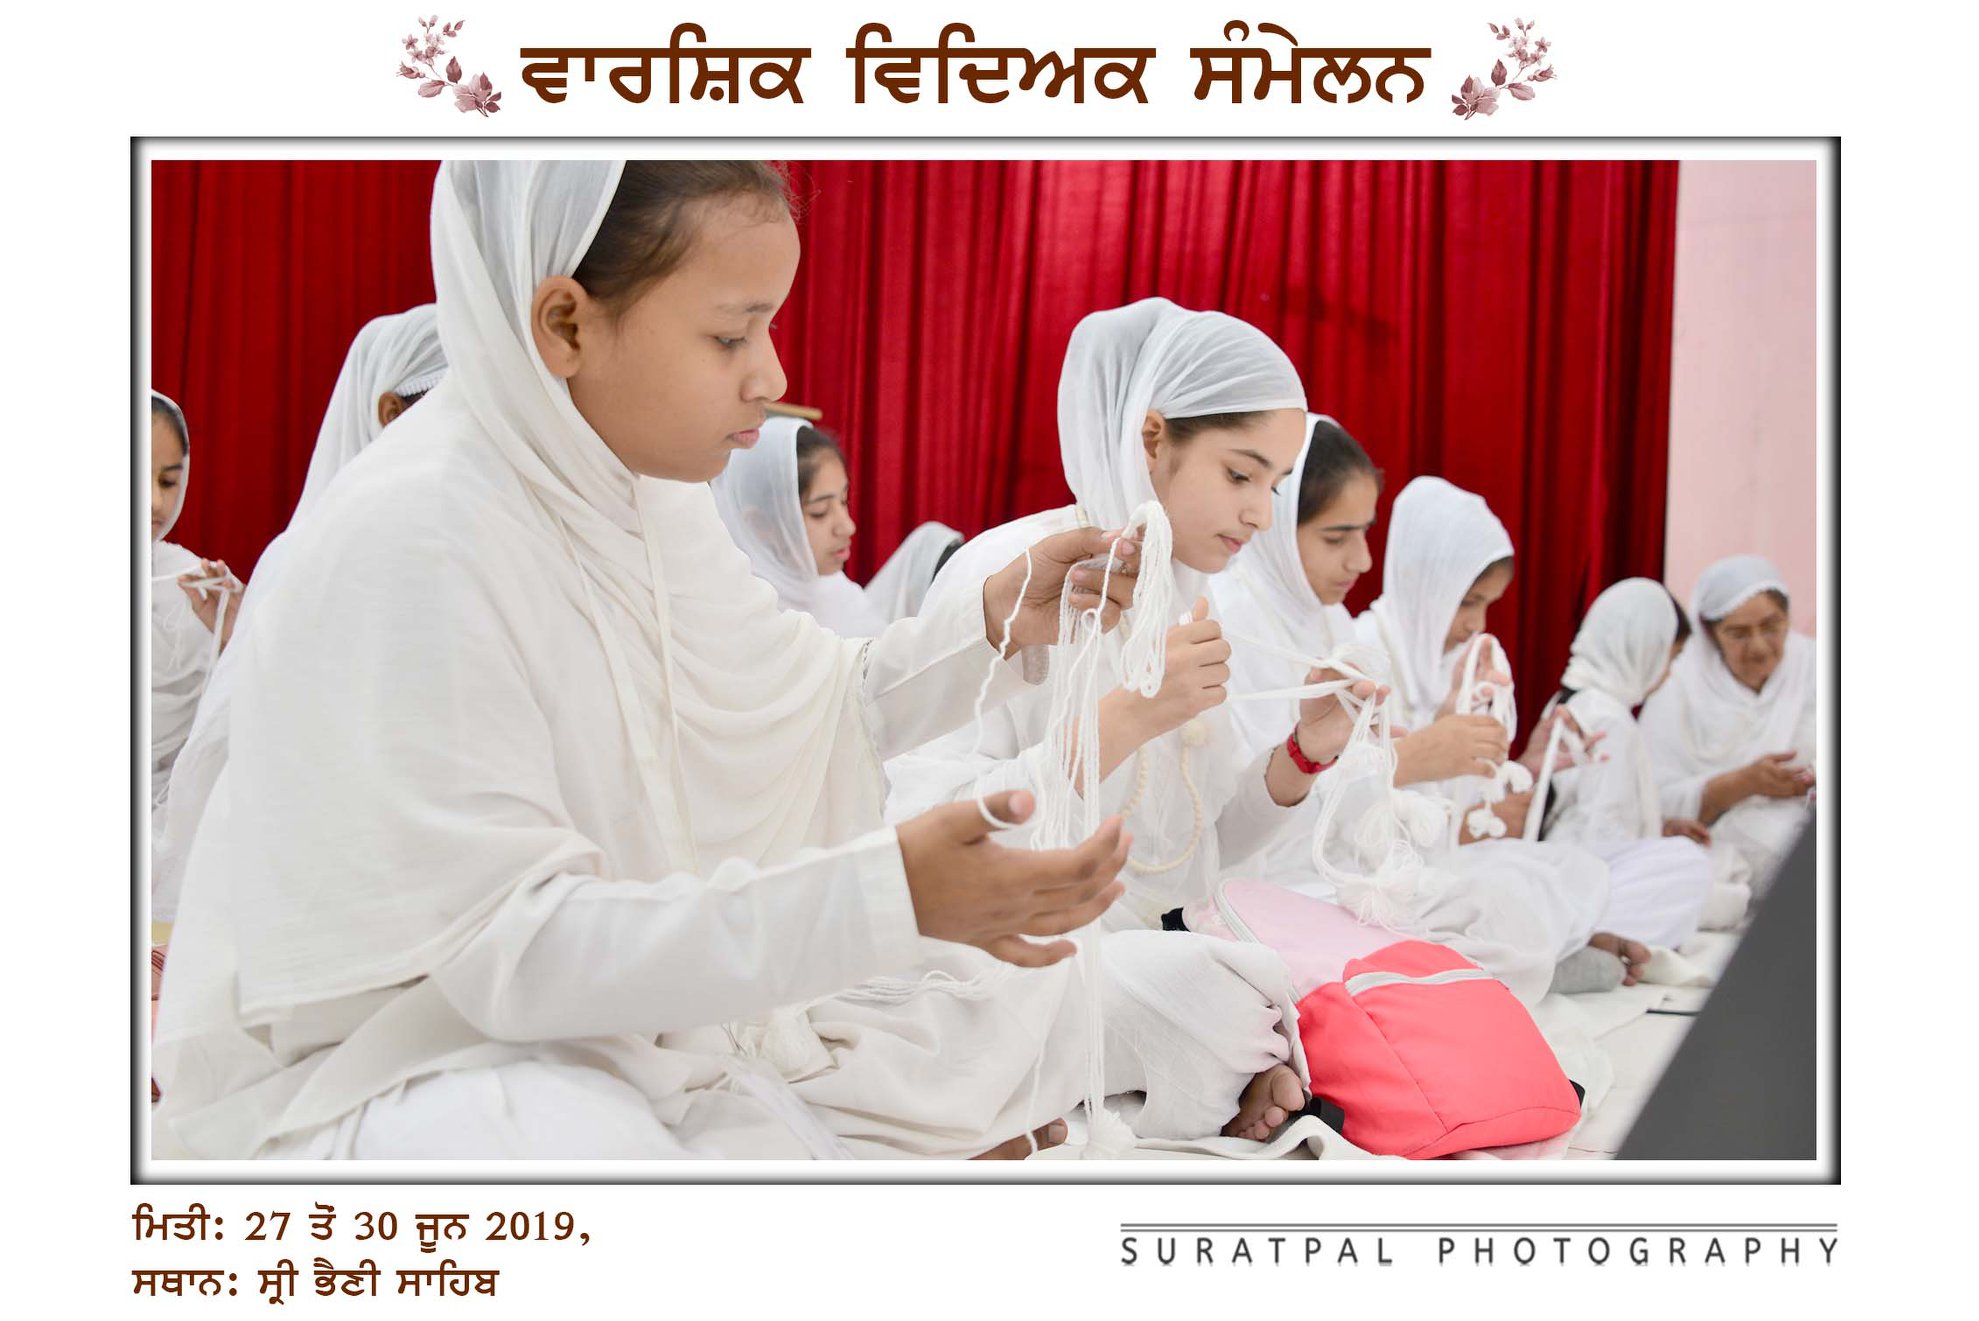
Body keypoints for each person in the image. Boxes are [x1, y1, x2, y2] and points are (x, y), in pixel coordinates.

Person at [154, 160, 1163, 1161]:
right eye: (730, 334)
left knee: (1023, 996)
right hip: (394, 1063)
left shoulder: (646, 501)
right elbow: (506, 953)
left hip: (610, 1026)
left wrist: (989, 623)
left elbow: (808, 708)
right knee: (563, 1142)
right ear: (565, 325)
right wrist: (884, 899)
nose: (771, 377)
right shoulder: (416, 535)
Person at [888, 300, 1383, 1136]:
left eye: (1273, 485)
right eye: (1240, 475)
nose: (1261, 514)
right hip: (1009, 947)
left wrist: (1303, 751)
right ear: (1151, 440)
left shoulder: (1186, 601)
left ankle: (1192, 1064)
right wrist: (1127, 718)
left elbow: (1198, 845)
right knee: (1223, 995)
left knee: (1292, 973)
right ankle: (1203, 1066)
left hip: (1146, 945)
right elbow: (931, 831)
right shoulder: (1008, 575)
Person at [152, 307, 446, 926]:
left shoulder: (488, 545)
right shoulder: (309, 560)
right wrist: (250, 647)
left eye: (168, 480)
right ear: (391, 413)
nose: (153, 501)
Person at [1535, 578, 1733, 941]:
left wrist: (1656, 825)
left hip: (1556, 872)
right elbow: (1596, 835)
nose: (1668, 674)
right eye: (1670, 658)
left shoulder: (1575, 698)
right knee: (1697, 869)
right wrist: (1647, 848)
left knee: (1711, 869)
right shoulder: (1608, 717)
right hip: (1575, 884)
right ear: (1641, 648)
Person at [1639, 554, 1815, 895]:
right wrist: (1742, 783)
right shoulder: (1678, 685)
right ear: (1710, 632)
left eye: (1772, 626)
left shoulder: (1815, 666)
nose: (1759, 647)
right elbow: (1651, 799)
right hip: (1717, 846)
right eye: (1739, 633)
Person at [712, 418, 958, 636]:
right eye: (819, 512)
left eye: (843, 501)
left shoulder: (833, 588)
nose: (847, 527)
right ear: (760, 524)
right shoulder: (745, 618)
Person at [149, 390, 240, 864]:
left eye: (168, 481)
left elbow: (240, 736)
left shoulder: (192, 587)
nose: (155, 502)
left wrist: (234, 639)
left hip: (171, 849)